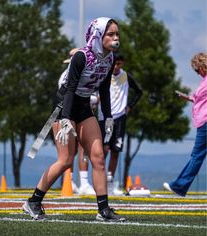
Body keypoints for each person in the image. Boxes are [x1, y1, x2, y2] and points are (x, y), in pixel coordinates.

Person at [22, 17, 126, 222]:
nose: (116, 38)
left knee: (97, 157)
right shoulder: (81, 56)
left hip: (85, 106)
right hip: (65, 106)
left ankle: (103, 210)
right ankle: (33, 201)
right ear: (99, 35)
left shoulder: (110, 58)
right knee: (66, 160)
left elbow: (104, 90)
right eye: (111, 34)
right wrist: (66, 119)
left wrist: (109, 118)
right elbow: (69, 89)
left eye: (117, 34)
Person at [98, 52, 143, 195]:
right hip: (106, 117)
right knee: (104, 149)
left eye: (119, 64)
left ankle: (110, 182)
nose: (116, 67)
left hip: (120, 117)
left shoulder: (125, 76)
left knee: (116, 150)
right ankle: (99, 179)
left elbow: (139, 91)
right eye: (114, 64)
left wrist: (130, 106)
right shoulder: (104, 75)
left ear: (122, 64)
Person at [163, 52, 207, 197]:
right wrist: (188, 98)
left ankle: (179, 186)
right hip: (203, 121)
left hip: (205, 122)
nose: (197, 73)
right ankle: (179, 186)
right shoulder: (204, 81)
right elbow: (200, 99)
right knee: (198, 155)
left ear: (201, 66)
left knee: (197, 156)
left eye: (196, 69)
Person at [60, 48, 95, 195]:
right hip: (68, 113)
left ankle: (84, 182)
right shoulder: (65, 75)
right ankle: (70, 181)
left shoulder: (90, 74)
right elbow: (65, 93)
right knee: (68, 154)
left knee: (84, 148)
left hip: (84, 112)